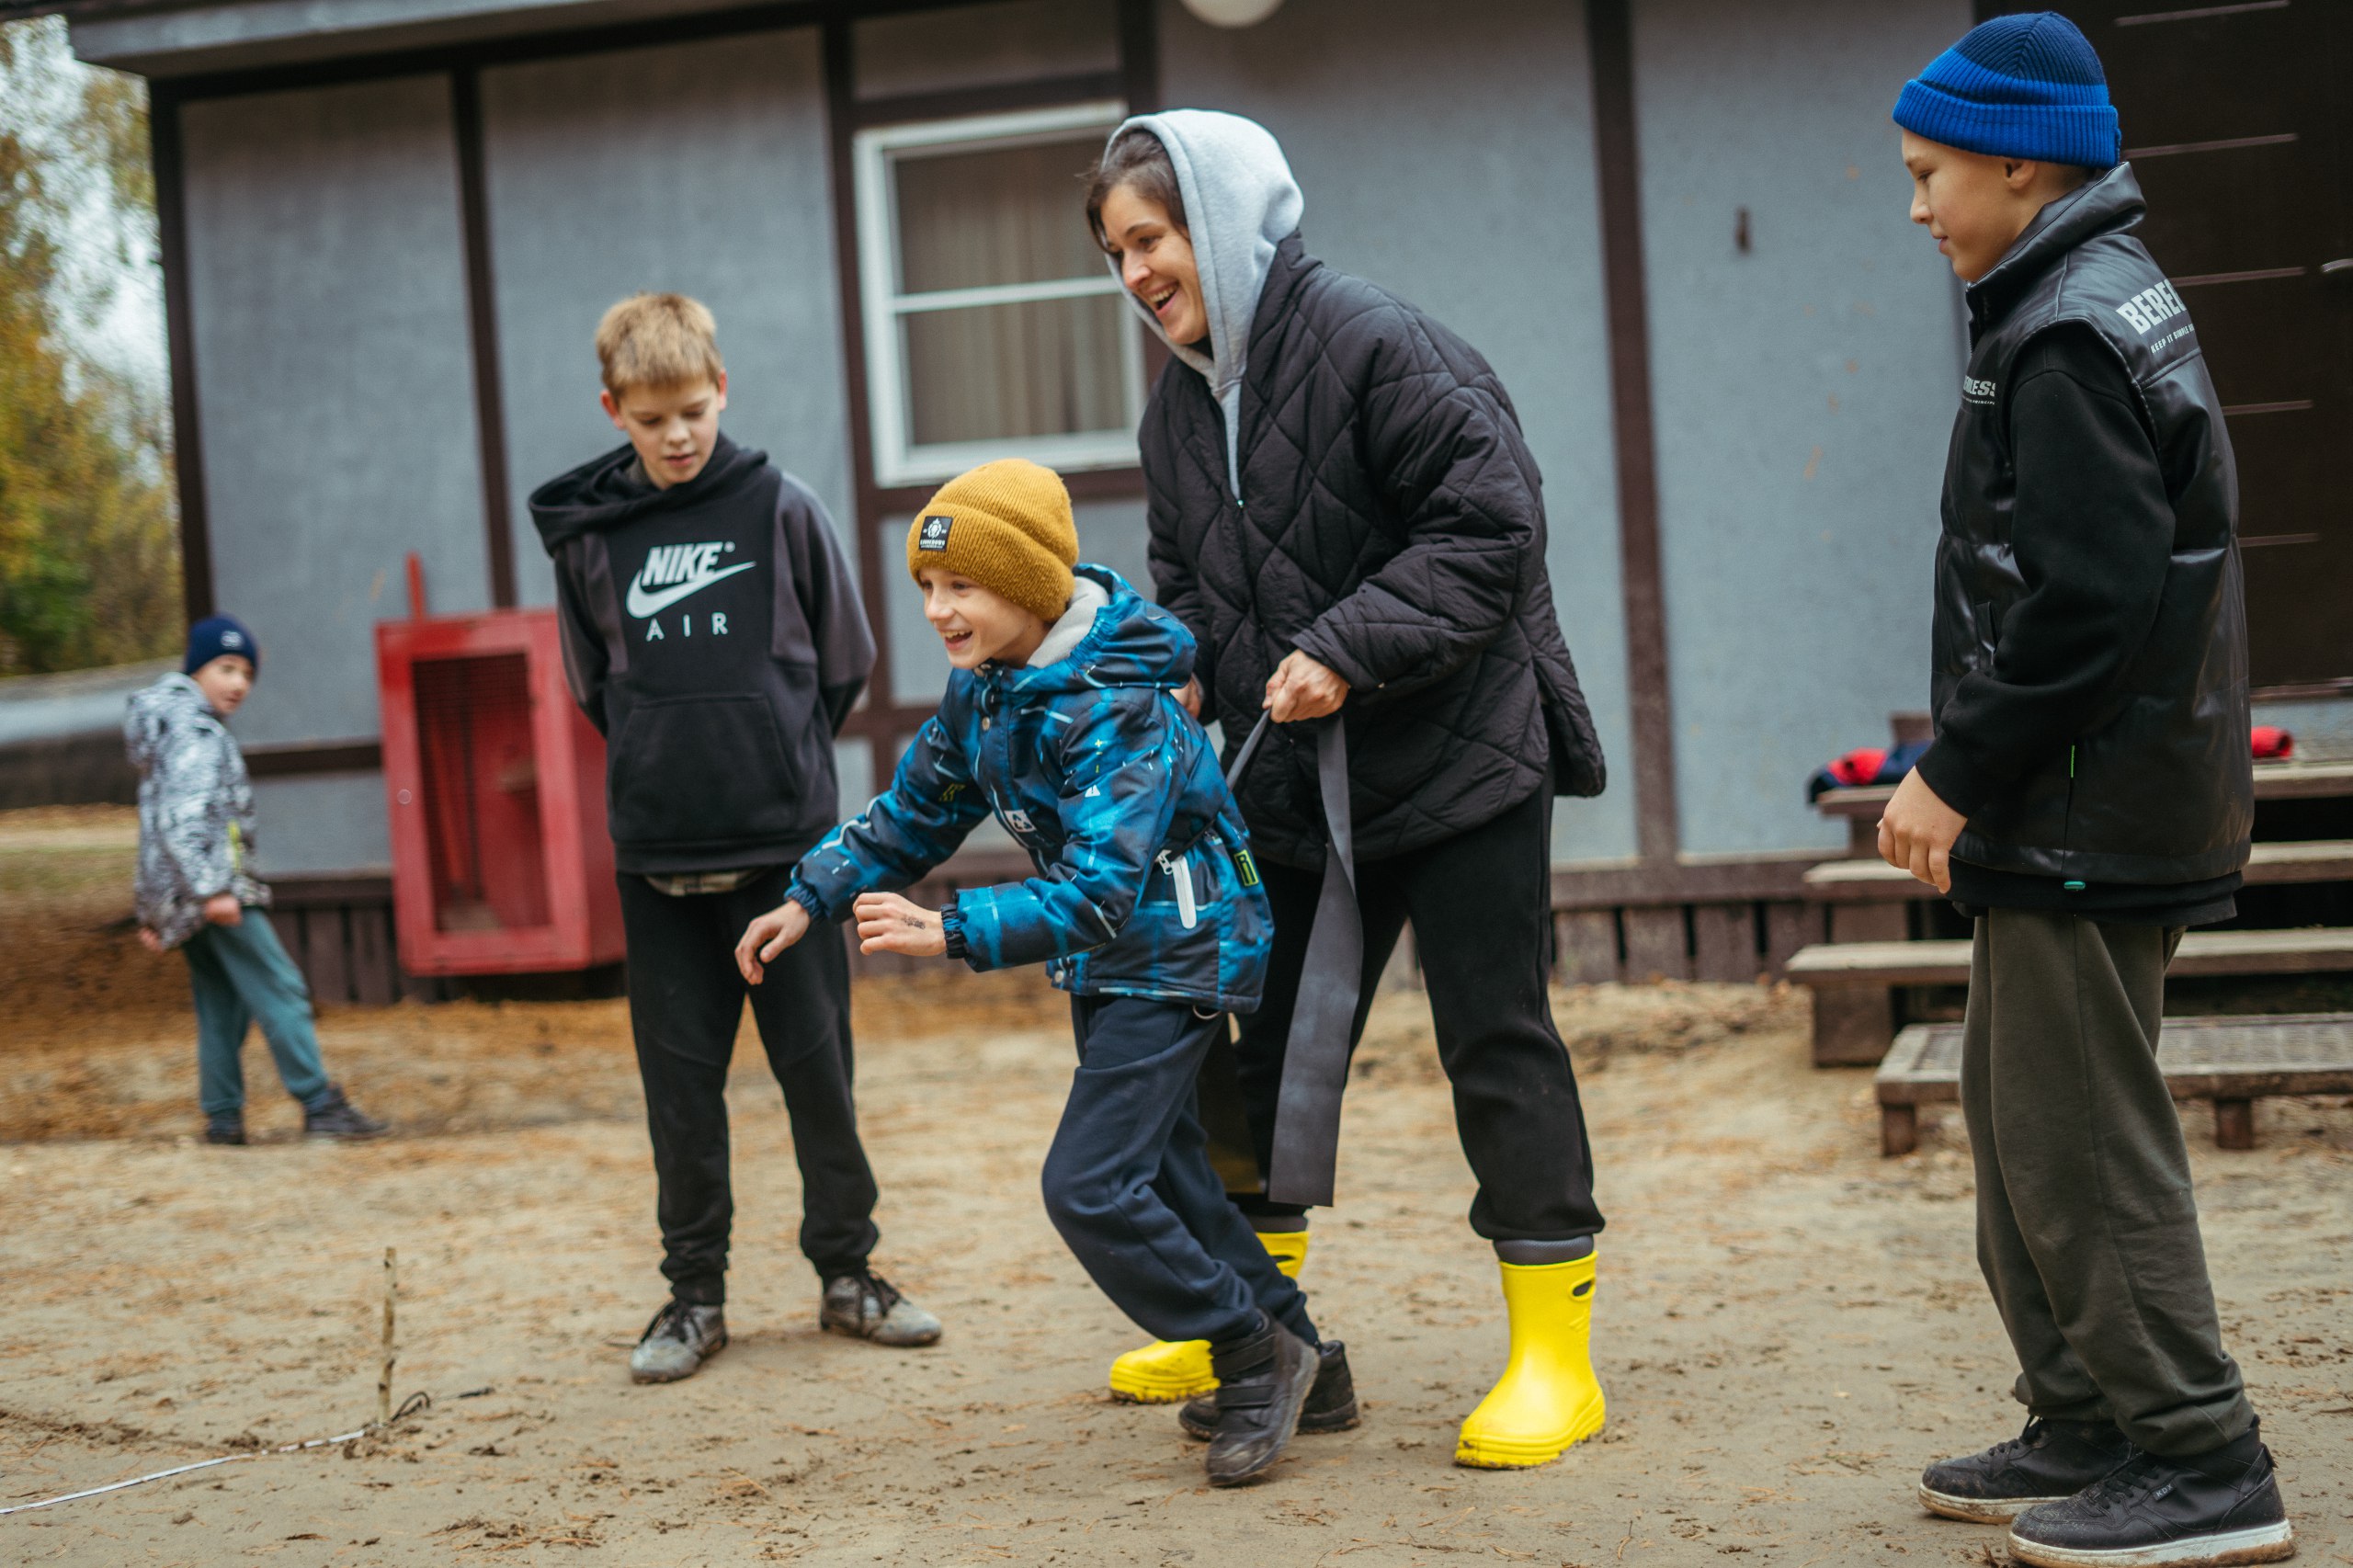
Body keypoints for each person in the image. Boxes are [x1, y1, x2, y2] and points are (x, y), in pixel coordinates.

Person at [1084, 111, 1611, 1471]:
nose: (1136, 272)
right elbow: (1192, 588)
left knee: (1495, 1040)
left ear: (1223, 219)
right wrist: (1176, 673)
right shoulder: (1175, 409)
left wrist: (1342, 647)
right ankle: (1253, 1319)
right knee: (1253, 1052)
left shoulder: (1376, 341)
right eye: (1117, 253)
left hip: (1462, 759)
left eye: (1152, 238)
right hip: (1295, 785)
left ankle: (1554, 1358)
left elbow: (1491, 524)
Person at [1881, 16, 2294, 1567]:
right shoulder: (2077, 297)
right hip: (2072, 805)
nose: (1916, 206)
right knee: (2020, 1125)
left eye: (1929, 173)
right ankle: (2088, 1415)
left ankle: (2201, 1456)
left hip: (2081, 808)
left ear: (2018, 164)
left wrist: (1952, 771)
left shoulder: (2065, 333)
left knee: (2083, 1147)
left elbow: (2088, 605)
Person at [734, 459, 1341, 1487]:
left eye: (962, 586)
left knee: (1089, 1185)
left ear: (1029, 586)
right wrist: (809, 896)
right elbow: (915, 809)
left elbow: (1102, 887)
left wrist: (950, 929)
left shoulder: (1115, 706)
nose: (937, 609)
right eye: (928, 586)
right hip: (1115, 955)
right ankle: (1310, 1366)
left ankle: (1251, 1353)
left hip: (1180, 946)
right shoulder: (989, 690)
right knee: (1167, 1173)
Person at [530, 292, 939, 1385]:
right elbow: (591, 684)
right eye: (650, 418)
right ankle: (694, 1294)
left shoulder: (783, 508)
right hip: (655, 862)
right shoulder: (590, 540)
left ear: (723, 391)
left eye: (693, 411)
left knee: (819, 1075)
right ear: (613, 411)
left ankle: (848, 1273)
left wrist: (772, 763)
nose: (676, 435)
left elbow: (844, 662)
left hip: (788, 866)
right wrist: (667, 759)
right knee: (679, 1094)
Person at [126, 615, 388, 1146]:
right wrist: (214, 890)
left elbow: (156, 825)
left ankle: (223, 1120)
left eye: (247, 673)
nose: (239, 684)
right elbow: (182, 822)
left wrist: (156, 910)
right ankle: (319, 1103)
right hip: (215, 890)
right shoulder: (197, 733)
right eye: (225, 668)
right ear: (196, 669)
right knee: (280, 988)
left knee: (220, 1001)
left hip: (185, 893)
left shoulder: (170, 727)